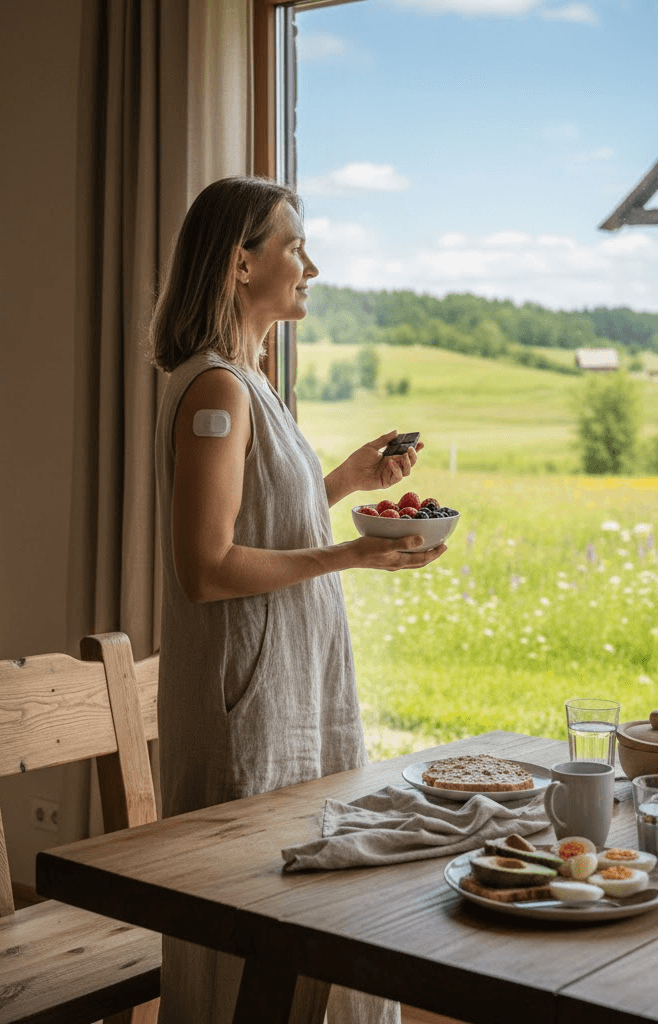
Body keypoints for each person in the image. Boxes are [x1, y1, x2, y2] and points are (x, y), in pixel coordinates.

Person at [150, 175, 446, 1024]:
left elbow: (264, 524)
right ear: (241, 265)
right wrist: (352, 551)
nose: (309, 266)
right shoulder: (217, 390)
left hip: (288, 687)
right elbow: (204, 568)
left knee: (307, 898)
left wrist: (349, 480)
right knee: (251, 912)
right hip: (249, 700)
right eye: (293, 247)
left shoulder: (249, 383)